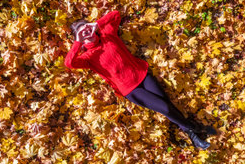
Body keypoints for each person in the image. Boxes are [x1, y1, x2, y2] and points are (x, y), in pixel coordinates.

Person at [64, 10, 216, 150]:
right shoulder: (87, 58)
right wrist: (77, 42)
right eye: (81, 33)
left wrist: (96, 24)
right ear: (80, 38)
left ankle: (194, 136)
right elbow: (69, 63)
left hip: (142, 74)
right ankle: (196, 130)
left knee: (168, 105)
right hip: (130, 89)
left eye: (86, 28)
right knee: (165, 108)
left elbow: (116, 15)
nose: (86, 32)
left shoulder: (108, 34)